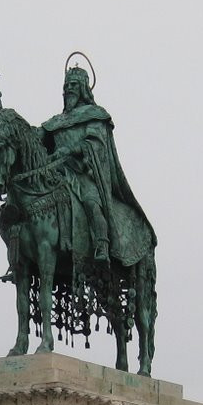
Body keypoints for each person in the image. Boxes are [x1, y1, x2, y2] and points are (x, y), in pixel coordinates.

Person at [40, 65, 153, 264]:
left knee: (92, 203)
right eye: (66, 85)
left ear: (84, 87)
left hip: (83, 173)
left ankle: (102, 244)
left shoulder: (94, 114)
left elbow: (95, 143)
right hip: (56, 173)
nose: (68, 89)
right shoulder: (55, 121)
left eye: (73, 84)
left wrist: (72, 150)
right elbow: (37, 139)